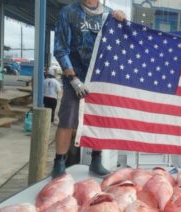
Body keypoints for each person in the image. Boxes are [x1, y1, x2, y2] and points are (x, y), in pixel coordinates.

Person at [52, 0, 126, 179]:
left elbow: (121, 44)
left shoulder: (109, 14)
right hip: (74, 77)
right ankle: (59, 162)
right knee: (67, 120)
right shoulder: (68, 12)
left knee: (98, 120)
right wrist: (73, 78)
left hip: (100, 79)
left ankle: (96, 160)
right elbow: (60, 50)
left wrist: (123, 22)